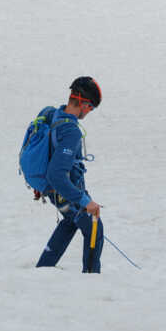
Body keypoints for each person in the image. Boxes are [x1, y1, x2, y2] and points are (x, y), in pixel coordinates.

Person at [35, 77, 104, 272]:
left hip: (53, 191)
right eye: (90, 107)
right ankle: (92, 279)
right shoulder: (71, 130)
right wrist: (84, 201)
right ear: (82, 103)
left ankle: (43, 269)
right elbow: (56, 175)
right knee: (93, 225)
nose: (89, 112)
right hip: (64, 190)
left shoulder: (53, 113)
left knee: (70, 221)